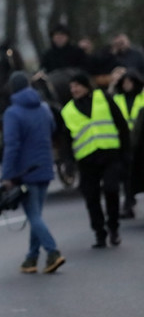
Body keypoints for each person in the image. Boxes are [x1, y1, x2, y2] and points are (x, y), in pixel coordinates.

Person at [1, 72, 64, 274]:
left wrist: (7, 176)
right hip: (44, 167)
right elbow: (52, 129)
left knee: (34, 216)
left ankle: (53, 251)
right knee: (36, 216)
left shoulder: (12, 113)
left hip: (24, 171)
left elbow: (11, 146)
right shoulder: (44, 108)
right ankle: (31, 258)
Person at [61, 73, 131, 248]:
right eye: (71, 87)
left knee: (111, 189)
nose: (74, 90)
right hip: (86, 161)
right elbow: (66, 140)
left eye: (77, 85)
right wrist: (68, 162)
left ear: (86, 85)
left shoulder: (104, 98)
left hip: (109, 155)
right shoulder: (68, 111)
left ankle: (113, 226)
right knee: (91, 197)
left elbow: (121, 124)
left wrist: (126, 152)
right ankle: (99, 232)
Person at [112, 69, 143, 218]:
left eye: (129, 82)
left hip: (141, 142)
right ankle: (128, 202)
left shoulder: (142, 97)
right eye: (124, 82)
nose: (127, 85)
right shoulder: (117, 99)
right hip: (124, 142)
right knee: (126, 173)